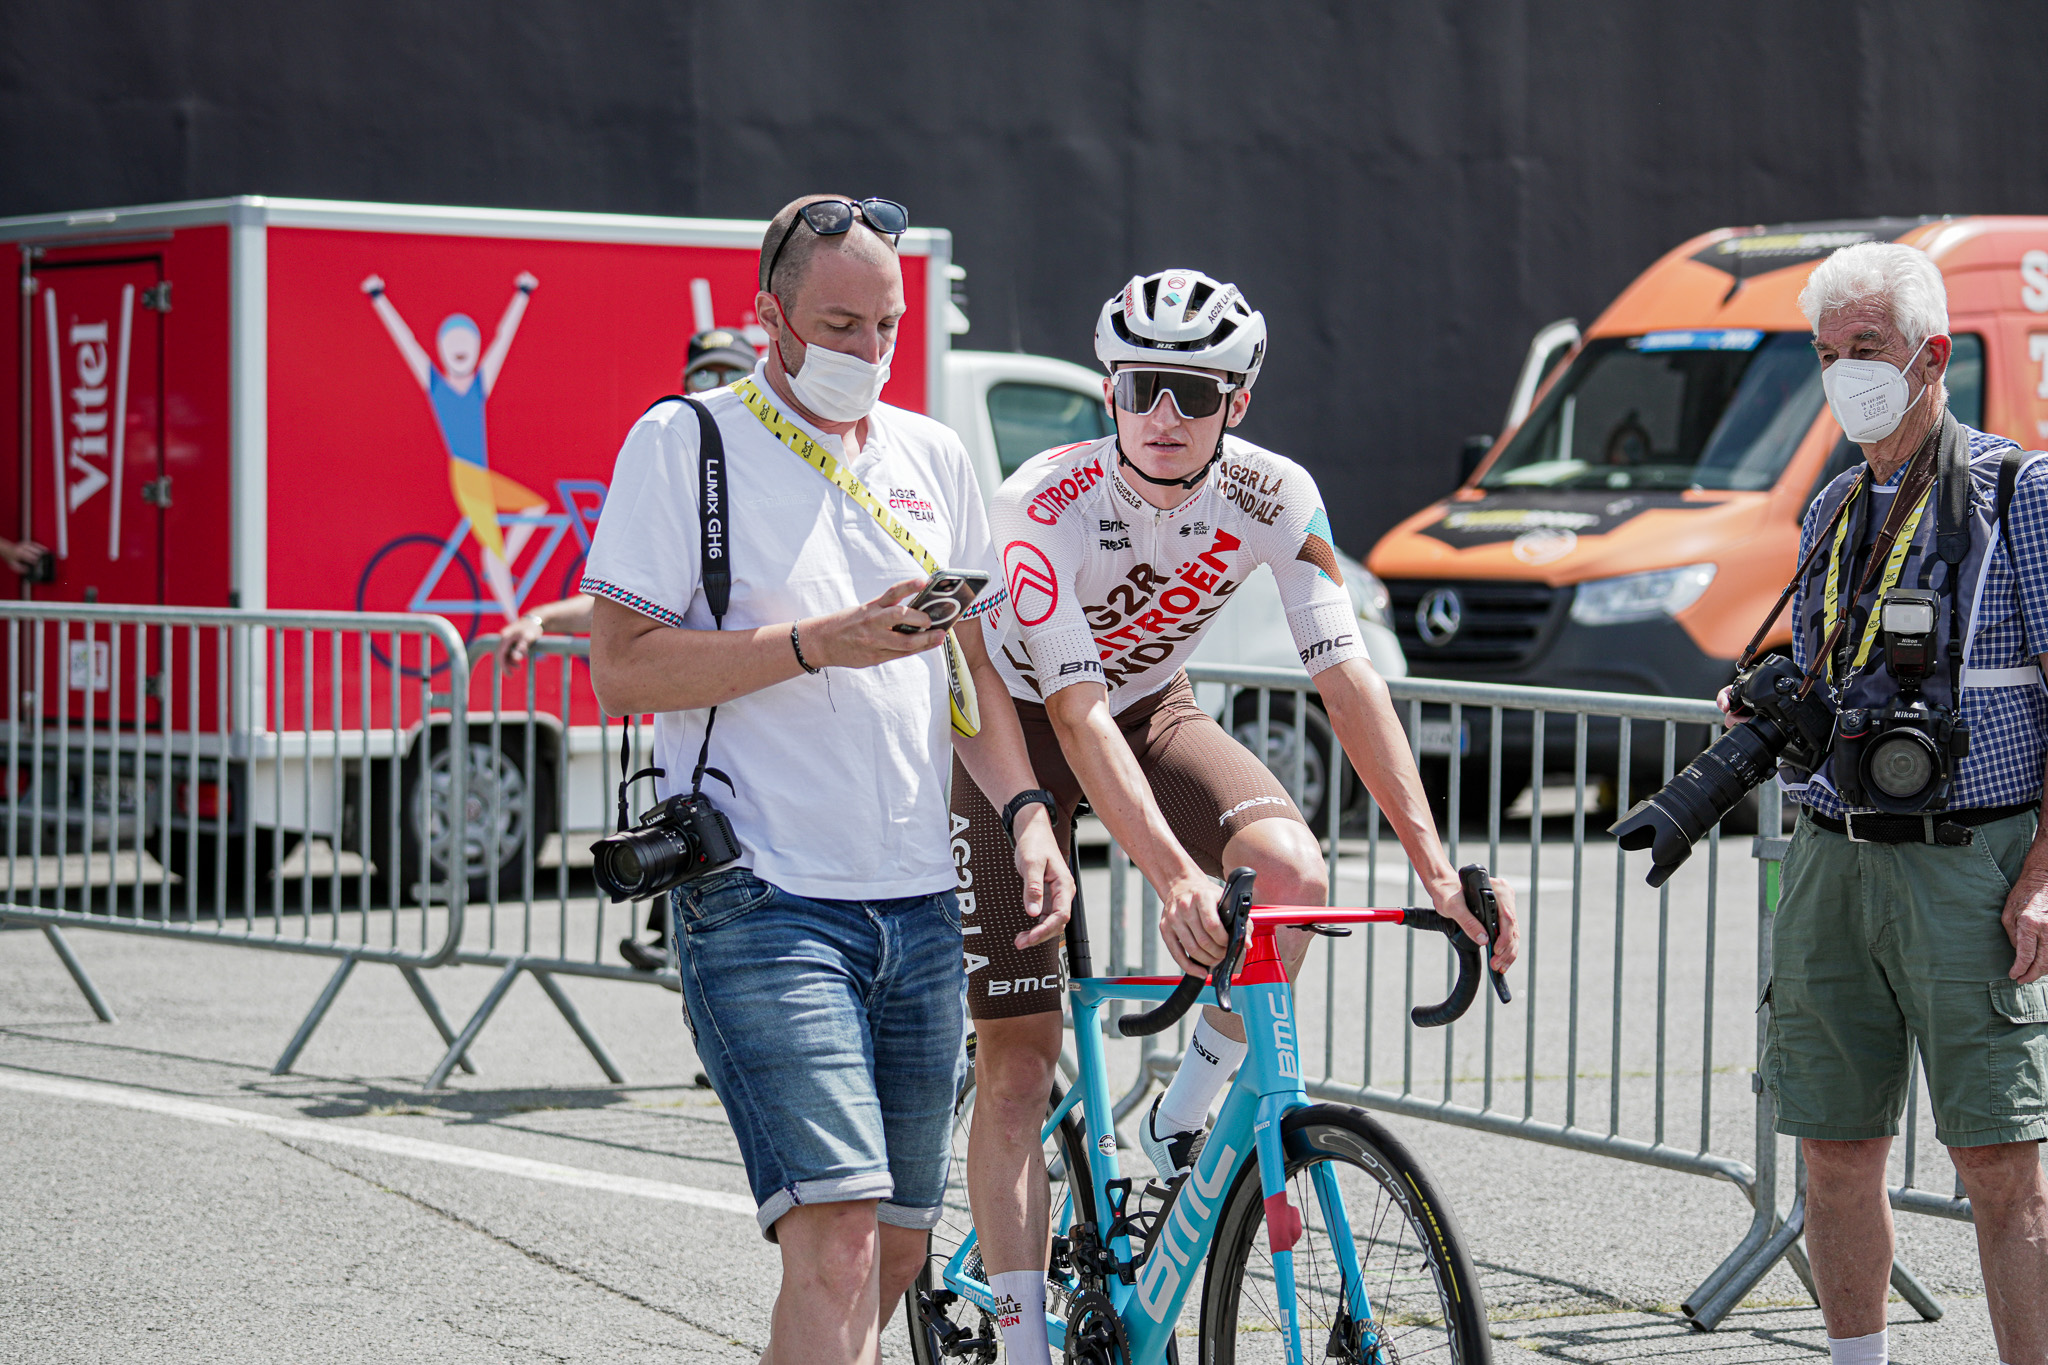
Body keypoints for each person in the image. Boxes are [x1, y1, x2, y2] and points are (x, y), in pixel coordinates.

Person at [953, 267, 1519, 1365]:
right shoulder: (1041, 503)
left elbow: (1347, 681)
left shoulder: (1274, 495)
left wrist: (1436, 866)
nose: (1164, 417)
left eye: (1196, 395)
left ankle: (1181, 1114)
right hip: (1020, 733)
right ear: (1107, 389)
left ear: (1238, 405)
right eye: (1141, 388)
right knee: (1018, 1062)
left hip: (1152, 707)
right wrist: (1170, 877)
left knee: (1292, 870)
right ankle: (1020, 1341)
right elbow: (1071, 717)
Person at [581, 193, 1073, 1365]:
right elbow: (617, 668)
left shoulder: (934, 456)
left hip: (915, 899)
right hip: (761, 894)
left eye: (885, 327)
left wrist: (1024, 813)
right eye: (838, 323)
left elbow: (971, 670)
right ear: (769, 318)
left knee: (897, 1252)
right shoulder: (685, 443)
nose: (865, 351)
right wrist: (817, 642)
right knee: (839, 1238)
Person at [1721, 242, 2048, 1365]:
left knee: (2000, 1166)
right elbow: (1825, 678)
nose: (1842, 373)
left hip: (1970, 860)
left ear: (1931, 356)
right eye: (1824, 355)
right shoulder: (1826, 509)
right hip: (1829, 854)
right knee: (1831, 1151)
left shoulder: (2020, 492)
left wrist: (2043, 877)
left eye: (1864, 350)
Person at [362, 270, 547, 622]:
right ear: (442, 349)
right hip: (465, 476)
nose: (461, 351)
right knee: (491, 549)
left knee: (535, 507)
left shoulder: (478, 384)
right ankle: (512, 622)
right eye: (453, 344)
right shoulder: (437, 387)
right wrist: (379, 298)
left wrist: (521, 295)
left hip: (482, 475)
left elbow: (502, 341)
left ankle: (498, 566)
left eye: (468, 344)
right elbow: (407, 342)